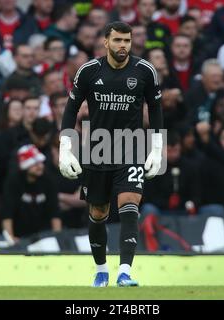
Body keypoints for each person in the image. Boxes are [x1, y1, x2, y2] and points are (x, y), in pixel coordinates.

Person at [59, 21, 163, 287]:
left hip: (131, 147)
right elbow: (71, 110)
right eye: (117, 41)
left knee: (130, 205)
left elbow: (156, 109)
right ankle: (102, 269)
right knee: (97, 213)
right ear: (106, 42)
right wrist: (65, 148)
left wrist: (157, 148)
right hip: (97, 149)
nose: (122, 46)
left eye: (127, 41)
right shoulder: (89, 71)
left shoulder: (145, 71)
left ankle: (125, 272)